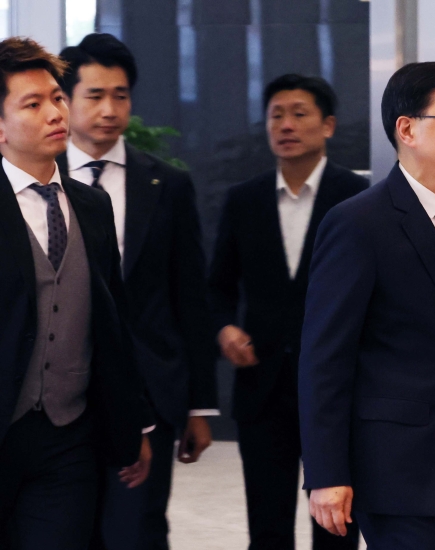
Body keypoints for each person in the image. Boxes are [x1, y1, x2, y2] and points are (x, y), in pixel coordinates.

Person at [298, 61, 435, 550]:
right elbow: (324, 358)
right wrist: (326, 472)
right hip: (393, 466)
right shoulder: (359, 222)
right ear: (407, 130)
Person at [56, 33, 219, 550]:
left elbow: (189, 296)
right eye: (95, 95)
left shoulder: (166, 183)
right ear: (66, 100)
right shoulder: (38, 179)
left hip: (150, 390)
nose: (109, 109)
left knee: (138, 531)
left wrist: (199, 405)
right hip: (60, 394)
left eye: (120, 95)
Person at [0, 36, 152, 550]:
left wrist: (135, 423)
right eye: (32, 104)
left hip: (68, 436)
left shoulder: (92, 205)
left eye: (58, 98)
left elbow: (113, 321)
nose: (55, 112)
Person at [209, 73, 368, 550]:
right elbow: (217, 286)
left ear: (328, 125)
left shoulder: (358, 199)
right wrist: (225, 327)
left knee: (337, 527)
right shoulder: (244, 200)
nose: (286, 125)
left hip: (338, 390)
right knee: (267, 526)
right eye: (276, 115)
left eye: (299, 114)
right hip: (263, 386)